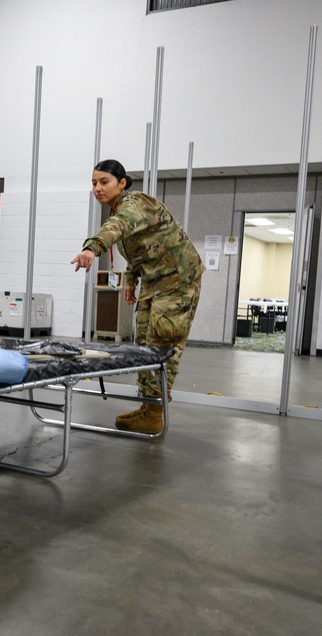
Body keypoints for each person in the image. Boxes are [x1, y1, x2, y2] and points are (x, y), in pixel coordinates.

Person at [71, 159, 203, 435]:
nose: (97, 188)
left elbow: (119, 226)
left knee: (162, 340)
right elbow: (140, 250)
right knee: (143, 342)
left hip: (178, 280)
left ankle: (155, 412)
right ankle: (147, 406)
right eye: (94, 183)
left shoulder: (135, 204)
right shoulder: (119, 209)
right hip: (154, 281)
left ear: (122, 183)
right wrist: (131, 279)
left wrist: (91, 250)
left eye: (104, 182)